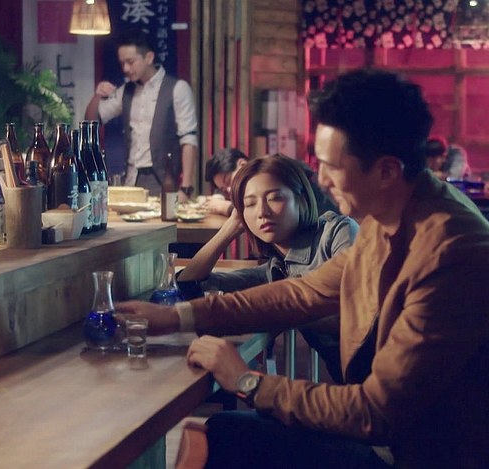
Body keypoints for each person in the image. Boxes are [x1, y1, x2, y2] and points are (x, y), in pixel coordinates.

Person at [116, 69, 489, 468]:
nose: (323, 180)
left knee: (226, 438)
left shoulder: (454, 256)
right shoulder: (393, 216)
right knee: (225, 432)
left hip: (423, 458)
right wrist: (178, 317)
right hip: (397, 444)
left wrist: (248, 382)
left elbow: (375, 412)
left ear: (386, 171)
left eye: (332, 166)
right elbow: (305, 291)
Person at [177, 154, 358, 383]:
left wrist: (271, 311)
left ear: (301, 199)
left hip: (380, 381)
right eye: (250, 204)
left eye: (275, 198)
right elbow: (188, 283)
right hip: (350, 386)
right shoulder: (274, 271)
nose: (262, 212)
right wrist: (230, 228)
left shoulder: (338, 232)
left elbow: (351, 314)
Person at [85, 32, 198, 202]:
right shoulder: (126, 90)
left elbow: (188, 138)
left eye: (130, 62)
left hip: (163, 179)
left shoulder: (178, 88)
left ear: (149, 57)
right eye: (122, 63)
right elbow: (91, 122)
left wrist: (186, 187)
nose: (126, 69)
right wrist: (97, 96)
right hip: (131, 179)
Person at [203, 148, 338, 216]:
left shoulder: (270, 172)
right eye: (224, 189)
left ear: (242, 164)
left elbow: (266, 211)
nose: (229, 189)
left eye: (228, 181)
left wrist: (226, 208)